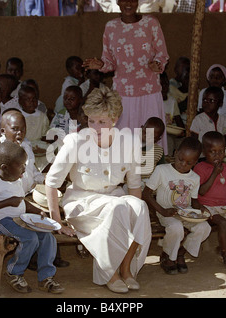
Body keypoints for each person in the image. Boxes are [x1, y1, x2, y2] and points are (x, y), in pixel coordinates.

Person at [45, 86, 152, 294]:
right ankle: (109, 274)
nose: (95, 127)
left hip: (114, 198)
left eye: (102, 122)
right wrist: (56, 221)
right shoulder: (75, 142)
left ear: (115, 118)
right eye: (91, 120)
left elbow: (134, 186)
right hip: (82, 203)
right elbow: (51, 182)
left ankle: (126, 268)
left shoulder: (129, 142)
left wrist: (135, 212)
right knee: (118, 209)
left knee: (139, 208)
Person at [83, 0, 170, 154]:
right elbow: (110, 62)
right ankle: (122, 175)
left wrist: (157, 64)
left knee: (150, 141)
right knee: (122, 144)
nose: (128, 3)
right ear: (117, 1)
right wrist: (101, 65)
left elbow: (162, 54)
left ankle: (151, 172)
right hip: (123, 95)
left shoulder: (151, 23)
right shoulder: (111, 27)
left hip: (149, 92)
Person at [0, 141, 65, 294]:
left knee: (48, 237)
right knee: (30, 238)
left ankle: (46, 277)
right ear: (4, 167)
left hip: (20, 219)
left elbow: (20, 200)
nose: (24, 169)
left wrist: (37, 210)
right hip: (1, 221)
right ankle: (14, 273)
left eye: (24, 164)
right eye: (20, 165)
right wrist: (8, 202)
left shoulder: (16, 180)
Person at [143, 137, 211, 275]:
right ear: (175, 153)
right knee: (176, 228)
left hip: (186, 213)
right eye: (180, 159)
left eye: (188, 163)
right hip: (164, 212)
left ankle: (180, 253)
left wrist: (201, 208)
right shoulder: (162, 170)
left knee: (204, 227)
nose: (182, 165)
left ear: (195, 162)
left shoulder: (195, 178)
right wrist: (162, 211)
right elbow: (146, 194)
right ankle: (168, 256)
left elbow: (194, 200)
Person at [193, 132, 226, 270]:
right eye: (213, 152)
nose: (218, 155)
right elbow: (201, 191)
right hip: (205, 207)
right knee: (223, 223)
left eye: (221, 151)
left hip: (222, 206)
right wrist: (215, 173)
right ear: (204, 152)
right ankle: (225, 253)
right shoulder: (200, 168)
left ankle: (223, 245)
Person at [139, 117, 166, 185]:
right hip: (129, 183)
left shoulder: (159, 151)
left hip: (148, 184)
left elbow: (162, 170)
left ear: (158, 139)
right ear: (141, 128)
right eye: (145, 132)